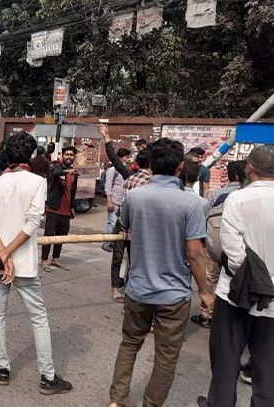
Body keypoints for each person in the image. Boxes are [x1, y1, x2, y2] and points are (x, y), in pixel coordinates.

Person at [108, 138, 213, 407]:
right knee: (166, 356)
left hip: (138, 287)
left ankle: (117, 401)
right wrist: (203, 291)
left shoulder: (134, 197)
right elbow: (195, 252)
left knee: (129, 344)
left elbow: (126, 227)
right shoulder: (193, 205)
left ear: (151, 166)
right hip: (173, 294)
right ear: (180, 167)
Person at [0, 131, 73, 394]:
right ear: (31, 155)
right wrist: (9, 253)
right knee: (39, 318)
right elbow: (33, 223)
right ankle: (47, 376)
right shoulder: (37, 181)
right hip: (24, 264)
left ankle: (2, 368)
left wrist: (2, 254)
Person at [196, 145, 274, 407]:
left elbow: (233, 253)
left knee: (226, 364)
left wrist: (252, 282)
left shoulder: (237, 200)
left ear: (250, 168)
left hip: (234, 297)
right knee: (267, 369)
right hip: (272, 305)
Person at [190, 160, 247, 330]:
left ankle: (206, 314)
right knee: (237, 277)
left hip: (214, 243)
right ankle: (233, 317)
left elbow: (203, 214)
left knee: (211, 277)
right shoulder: (246, 195)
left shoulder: (217, 194)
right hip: (238, 245)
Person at [109, 151, 152, 303]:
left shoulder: (130, 178)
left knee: (117, 258)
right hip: (138, 227)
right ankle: (129, 295)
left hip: (122, 223)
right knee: (134, 263)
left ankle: (115, 289)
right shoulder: (150, 183)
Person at [40, 146, 78, 273]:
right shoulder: (55, 167)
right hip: (53, 209)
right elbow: (54, 174)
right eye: (66, 154)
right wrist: (66, 172)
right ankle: (44, 260)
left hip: (66, 211)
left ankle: (55, 258)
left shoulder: (74, 173)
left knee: (61, 237)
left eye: (71, 155)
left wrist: (72, 207)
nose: (69, 157)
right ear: (62, 155)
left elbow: (73, 192)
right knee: (49, 236)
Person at [103, 148, 132, 252]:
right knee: (112, 222)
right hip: (114, 200)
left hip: (122, 201)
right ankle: (107, 243)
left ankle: (113, 243)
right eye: (126, 157)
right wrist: (109, 200)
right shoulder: (112, 170)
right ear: (120, 158)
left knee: (118, 224)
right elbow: (108, 185)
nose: (128, 159)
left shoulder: (126, 170)